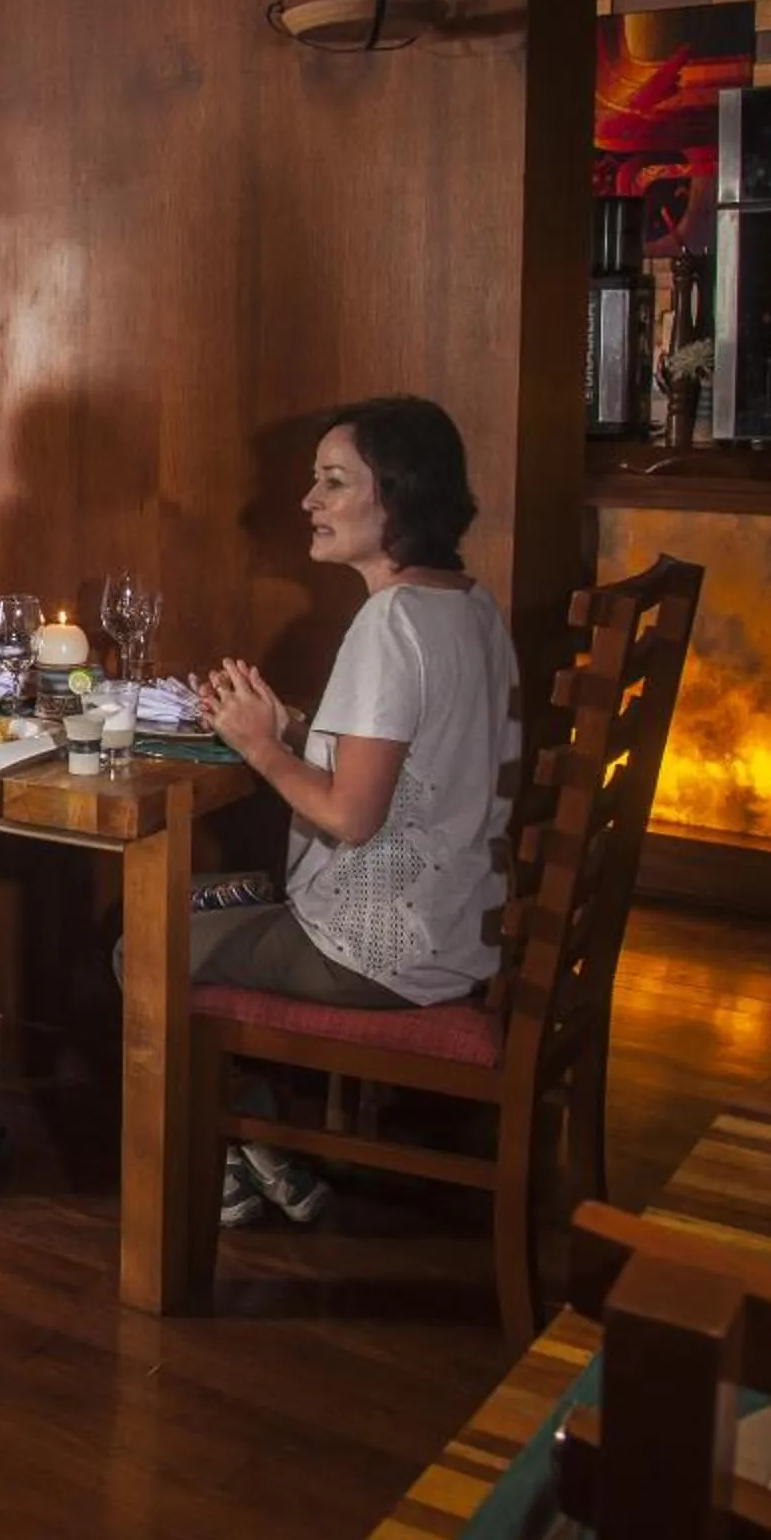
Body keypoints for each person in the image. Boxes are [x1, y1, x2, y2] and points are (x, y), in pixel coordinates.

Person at [190, 396, 521, 1226]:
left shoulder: (391, 621)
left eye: (333, 482)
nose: (309, 502)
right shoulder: (467, 603)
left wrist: (261, 748)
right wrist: (293, 726)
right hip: (462, 925)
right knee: (193, 899)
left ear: (399, 499)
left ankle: (235, 1157)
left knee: (145, 939)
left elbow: (350, 817)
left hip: (381, 946)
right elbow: (425, 760)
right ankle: (263, 1145)